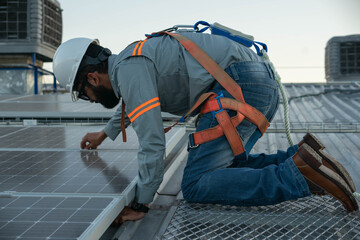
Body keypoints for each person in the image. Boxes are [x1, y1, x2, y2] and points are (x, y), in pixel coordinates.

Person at [53, 29, 358, 224]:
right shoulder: (131, 60)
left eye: (85, 94)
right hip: (255, 83)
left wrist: (143, 203)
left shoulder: (130, 70)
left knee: (197, 184)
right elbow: (134, 107)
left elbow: (152, 141)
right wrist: (105, 134)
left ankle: (299, 176)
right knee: (227, 169)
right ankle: (303, 159)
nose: (91, 99)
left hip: (238, 86)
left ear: (92, 78)